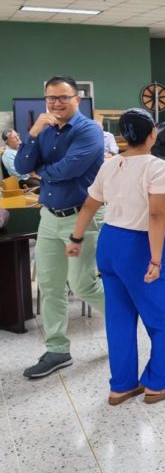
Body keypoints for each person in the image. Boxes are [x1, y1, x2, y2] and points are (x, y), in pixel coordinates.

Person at [65, 108, 165, 405]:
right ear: (153, 133)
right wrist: (155, 260)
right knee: (162, 316)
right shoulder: (157, 168)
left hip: (110, 243)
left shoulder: (110, 165)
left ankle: (121, 386)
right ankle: (159, 383)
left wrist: (76, 238)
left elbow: (89, 206)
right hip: (140, 245)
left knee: (119, 318)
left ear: (123, 136)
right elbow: (156, 215)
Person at [15, 75, 105, 379]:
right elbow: (22, 167)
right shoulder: (43, 131)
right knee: (50, 287)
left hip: (81, 218)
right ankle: (57, 350)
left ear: (76, 100)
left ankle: (126, 319)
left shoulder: (89, 130)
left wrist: (41, 171)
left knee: (83, 285)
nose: (56, 103)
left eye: (63, 98)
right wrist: (33, 132)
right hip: (49, 218)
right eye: (51, 98)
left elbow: (70, 169)